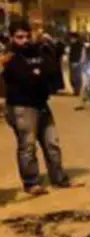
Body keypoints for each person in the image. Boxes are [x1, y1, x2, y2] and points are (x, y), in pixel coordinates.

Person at [1, 21, 72, 195]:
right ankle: (31, 183)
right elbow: (22, 78)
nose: (24, 40)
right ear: (12, 38)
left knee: (52, 143)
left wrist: (38, 72)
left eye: (27, 36)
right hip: (22, 107)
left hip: (41, 104)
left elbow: (51, 70)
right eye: (19, 37)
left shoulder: (38, 50)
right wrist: (36, 73)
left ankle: (59, 178)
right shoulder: (9, 57)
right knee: (28, 146)